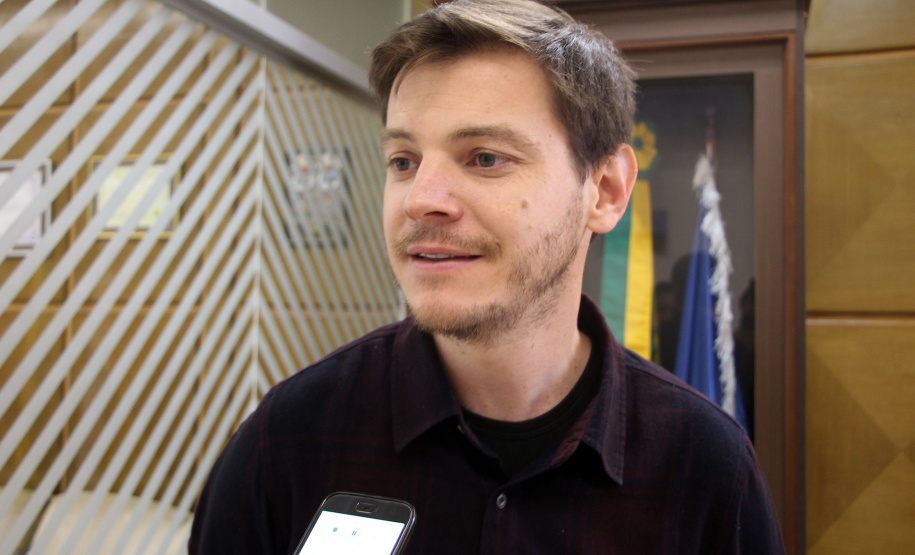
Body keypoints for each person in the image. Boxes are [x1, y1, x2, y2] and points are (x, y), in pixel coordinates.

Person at [189, 1, 785, 552]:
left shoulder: (705, 468)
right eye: (403, 160)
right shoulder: (290, 438)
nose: (420, 199)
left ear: (604, 191)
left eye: (486, 158)